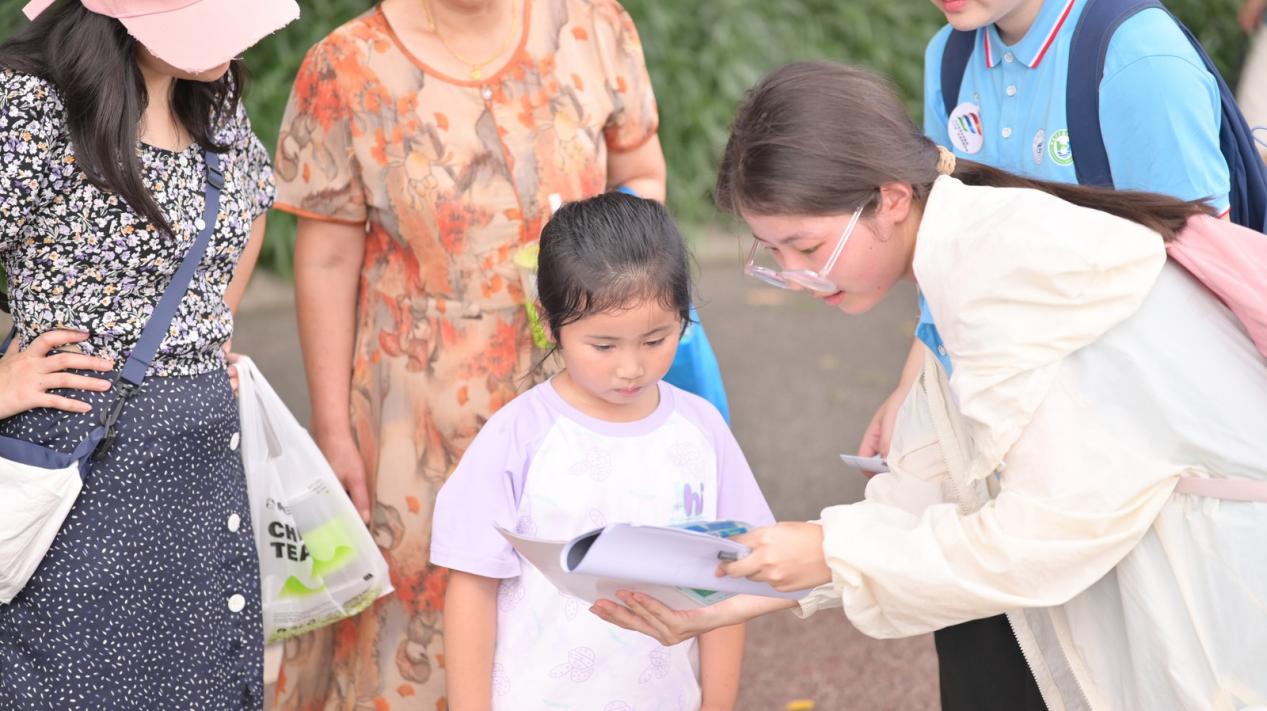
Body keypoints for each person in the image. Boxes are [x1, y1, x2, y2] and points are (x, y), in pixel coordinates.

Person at [591, 61, 1267, 711]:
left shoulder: (995, 263)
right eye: (775, 254)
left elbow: (1043, 534)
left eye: (805, 246)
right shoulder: (962, 249)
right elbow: (923, 485)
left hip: (1220, 577)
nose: (797, 275)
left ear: (889, 197)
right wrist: (733, 593)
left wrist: (822, 552)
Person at [270, 0, 728, 707]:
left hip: (585, 389)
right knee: (418, 617)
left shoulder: (593, 25)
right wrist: (333, 429)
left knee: (578, 605)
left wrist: (605, 285)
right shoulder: (346, 62)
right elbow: (327, 258)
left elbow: (641, 172)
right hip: (414, 417)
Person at [861, 3, 1238, 704]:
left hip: (1127, 449)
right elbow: (943, 255)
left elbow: (1198, 270)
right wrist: (912, 389)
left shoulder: (1133, 56)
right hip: (999, 428)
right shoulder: (950, 53)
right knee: (991, 650)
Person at [0, 0, 296, 707]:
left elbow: (249, 211)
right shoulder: (32, 107)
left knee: (197, 682)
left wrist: (201, 329)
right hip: (78, 468)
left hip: (199, 476)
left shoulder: (213, 105)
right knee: (71, 680)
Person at [428, 192, 773, 710]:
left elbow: (729, 578)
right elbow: (472, 586)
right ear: (550, 324)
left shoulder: (701, 429)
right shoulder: (518, 434)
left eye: (656, 339)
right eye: (604, 346)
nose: (630, 367)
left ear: (684, 315)